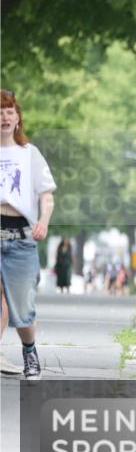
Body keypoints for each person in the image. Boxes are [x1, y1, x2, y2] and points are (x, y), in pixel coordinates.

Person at [0, 89, 56, 380]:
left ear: (18, 118)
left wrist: (44, 221)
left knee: (22, 309)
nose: (4, 117)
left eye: (9, 111)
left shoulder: (29, 154)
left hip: (20, 237)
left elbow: (46, 196)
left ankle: (29, 351)